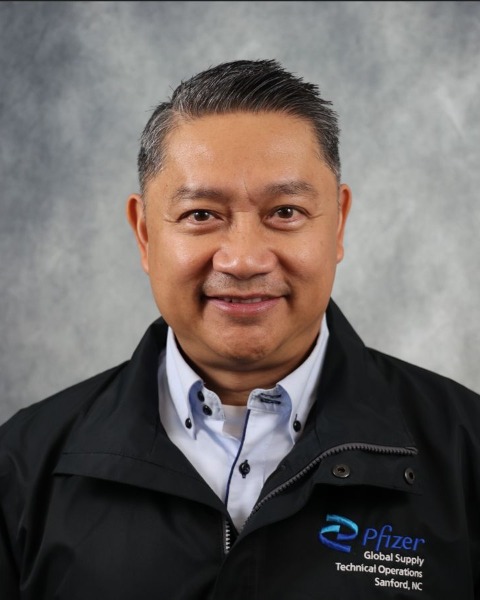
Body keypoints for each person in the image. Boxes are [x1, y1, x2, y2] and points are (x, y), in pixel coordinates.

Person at [1, 59, 479, 599]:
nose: (245, 259)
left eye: (286, 212)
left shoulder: (467, 451)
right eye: (202, 215)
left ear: (338, 223)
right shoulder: (21, 467)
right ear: (144, 233)